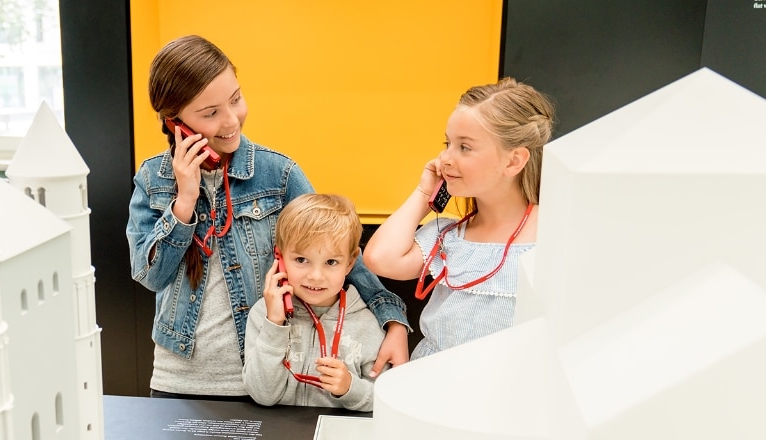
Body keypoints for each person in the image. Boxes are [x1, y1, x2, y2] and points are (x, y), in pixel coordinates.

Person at [127, 35, 411, 400]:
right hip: (177, 380)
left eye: (235, 99)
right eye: (211, 113)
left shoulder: (278, 174)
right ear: (175, 122)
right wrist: (184, 201)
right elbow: (150, 277)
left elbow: (335, 251)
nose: (231, 120)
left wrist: (393, 320)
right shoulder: (153, 179)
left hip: (264, 376)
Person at [363, 78, 554, 360]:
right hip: (435, 384)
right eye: (447, 143)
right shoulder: (448, 235)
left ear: (513, 161)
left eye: (464, 147)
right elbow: (380, 258)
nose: (445, 158)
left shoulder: (554, 234)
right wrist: (423, 192)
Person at [243, 194, 384, 411]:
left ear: (350, 263)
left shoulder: (368, 323)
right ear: (279, 258)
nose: (316, 276)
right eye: (301, 260)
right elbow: (262, 394)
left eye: (331, 262)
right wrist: (274, 325)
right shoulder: (264, 313)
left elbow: (386, 400)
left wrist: (349, 387)